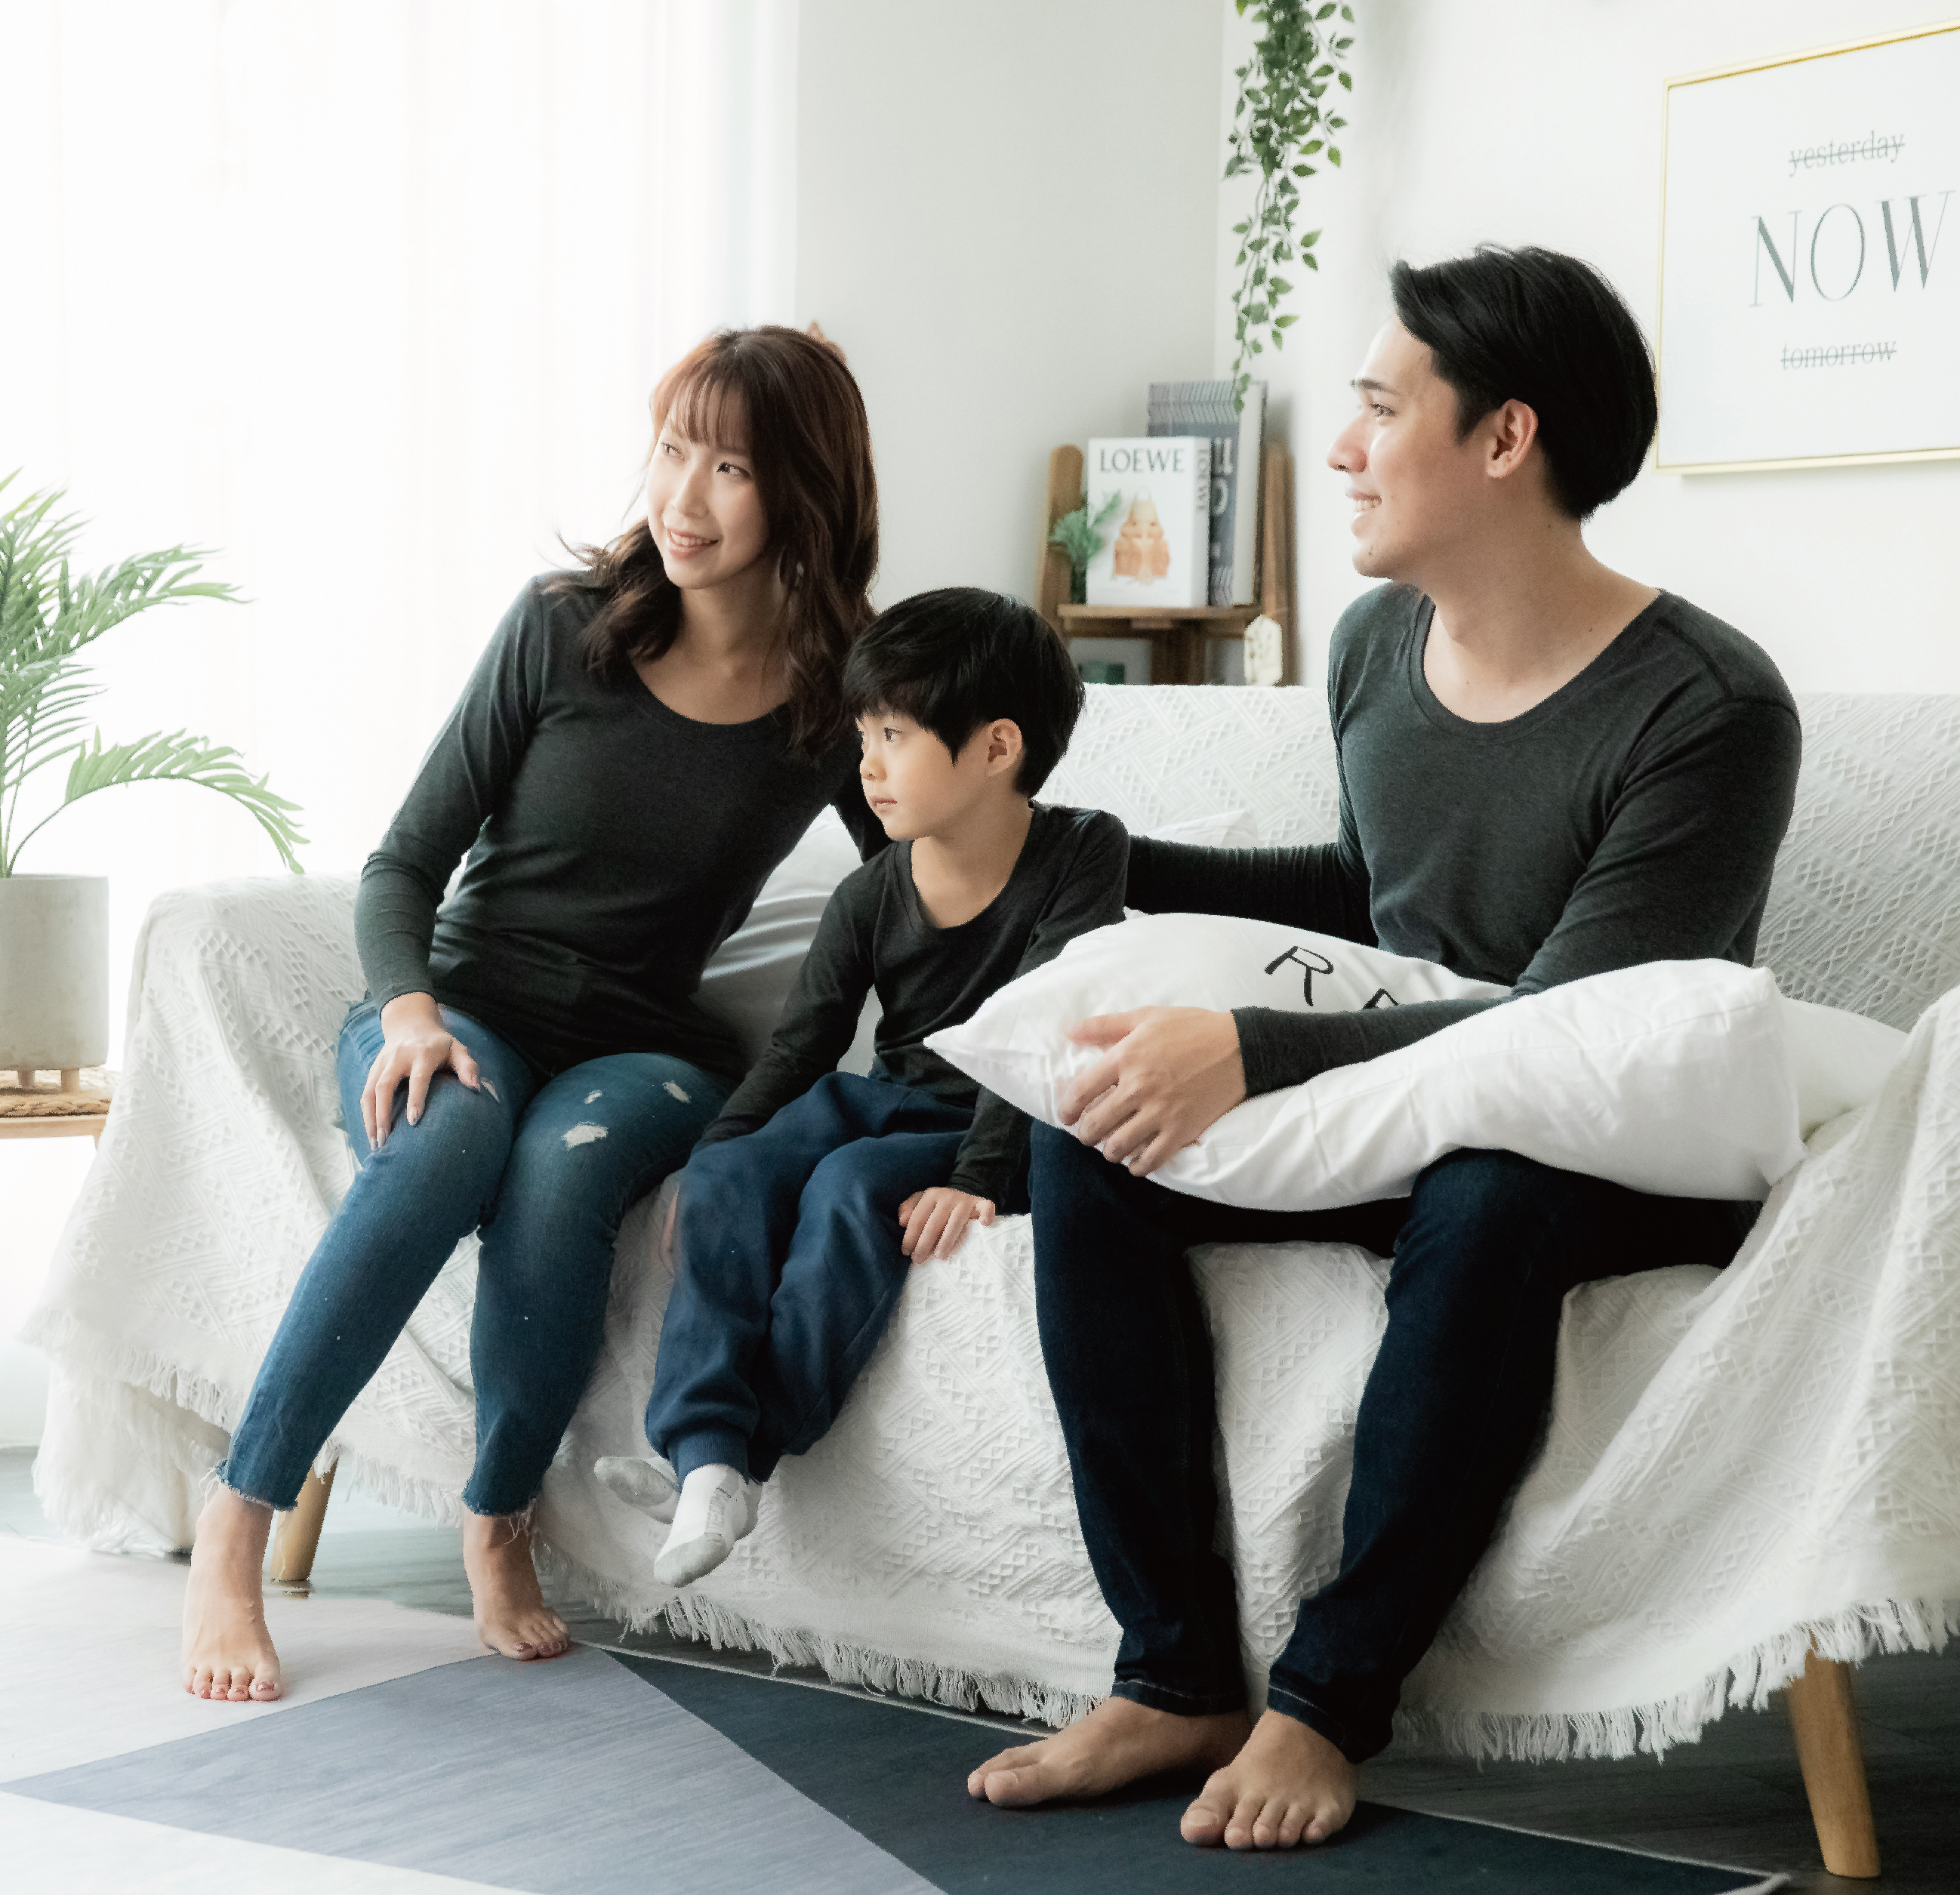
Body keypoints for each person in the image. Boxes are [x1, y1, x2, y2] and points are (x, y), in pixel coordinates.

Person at [964, 245, 1802, 1847]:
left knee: (1490, 1185)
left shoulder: (1708, 706)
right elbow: (1368, 896)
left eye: (1375, 408)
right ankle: (1174, 1673)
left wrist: (1253, 1049)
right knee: (1097, 1129)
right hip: (1395, 1101)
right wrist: (1089, 858)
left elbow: (1564, 1022)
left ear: (1505, 439)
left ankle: (1327, 1703)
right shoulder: (1371, 647)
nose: (1340, 449)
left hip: (1613, 1142)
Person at [179, 325, 886, 1702]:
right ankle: (240, 1511)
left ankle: (497, 1517)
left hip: (646, 1051)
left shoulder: (833, 689)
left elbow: (919, 875)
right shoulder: (565, 627)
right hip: (463, 1008)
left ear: (804, 490)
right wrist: (407, 1013)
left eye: (729, 467)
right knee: (448, 1138)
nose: (680, 497)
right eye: (671, 450)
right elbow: (403, 861)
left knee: (564, 1171)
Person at [595, 591, 1129, 1585]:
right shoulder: (869, 892)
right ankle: (704, 1451)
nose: (866, 764)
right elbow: (802, 1047)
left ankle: (744, 1458)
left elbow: (1043, 1026)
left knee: (848, 1188)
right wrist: (714, 1156)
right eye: (862, 735)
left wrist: (976, 1178)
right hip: (887, 1097)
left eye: (893, 736)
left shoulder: (1083, 852)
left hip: (1000, 1114)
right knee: (733, 1174)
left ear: (997, 746)